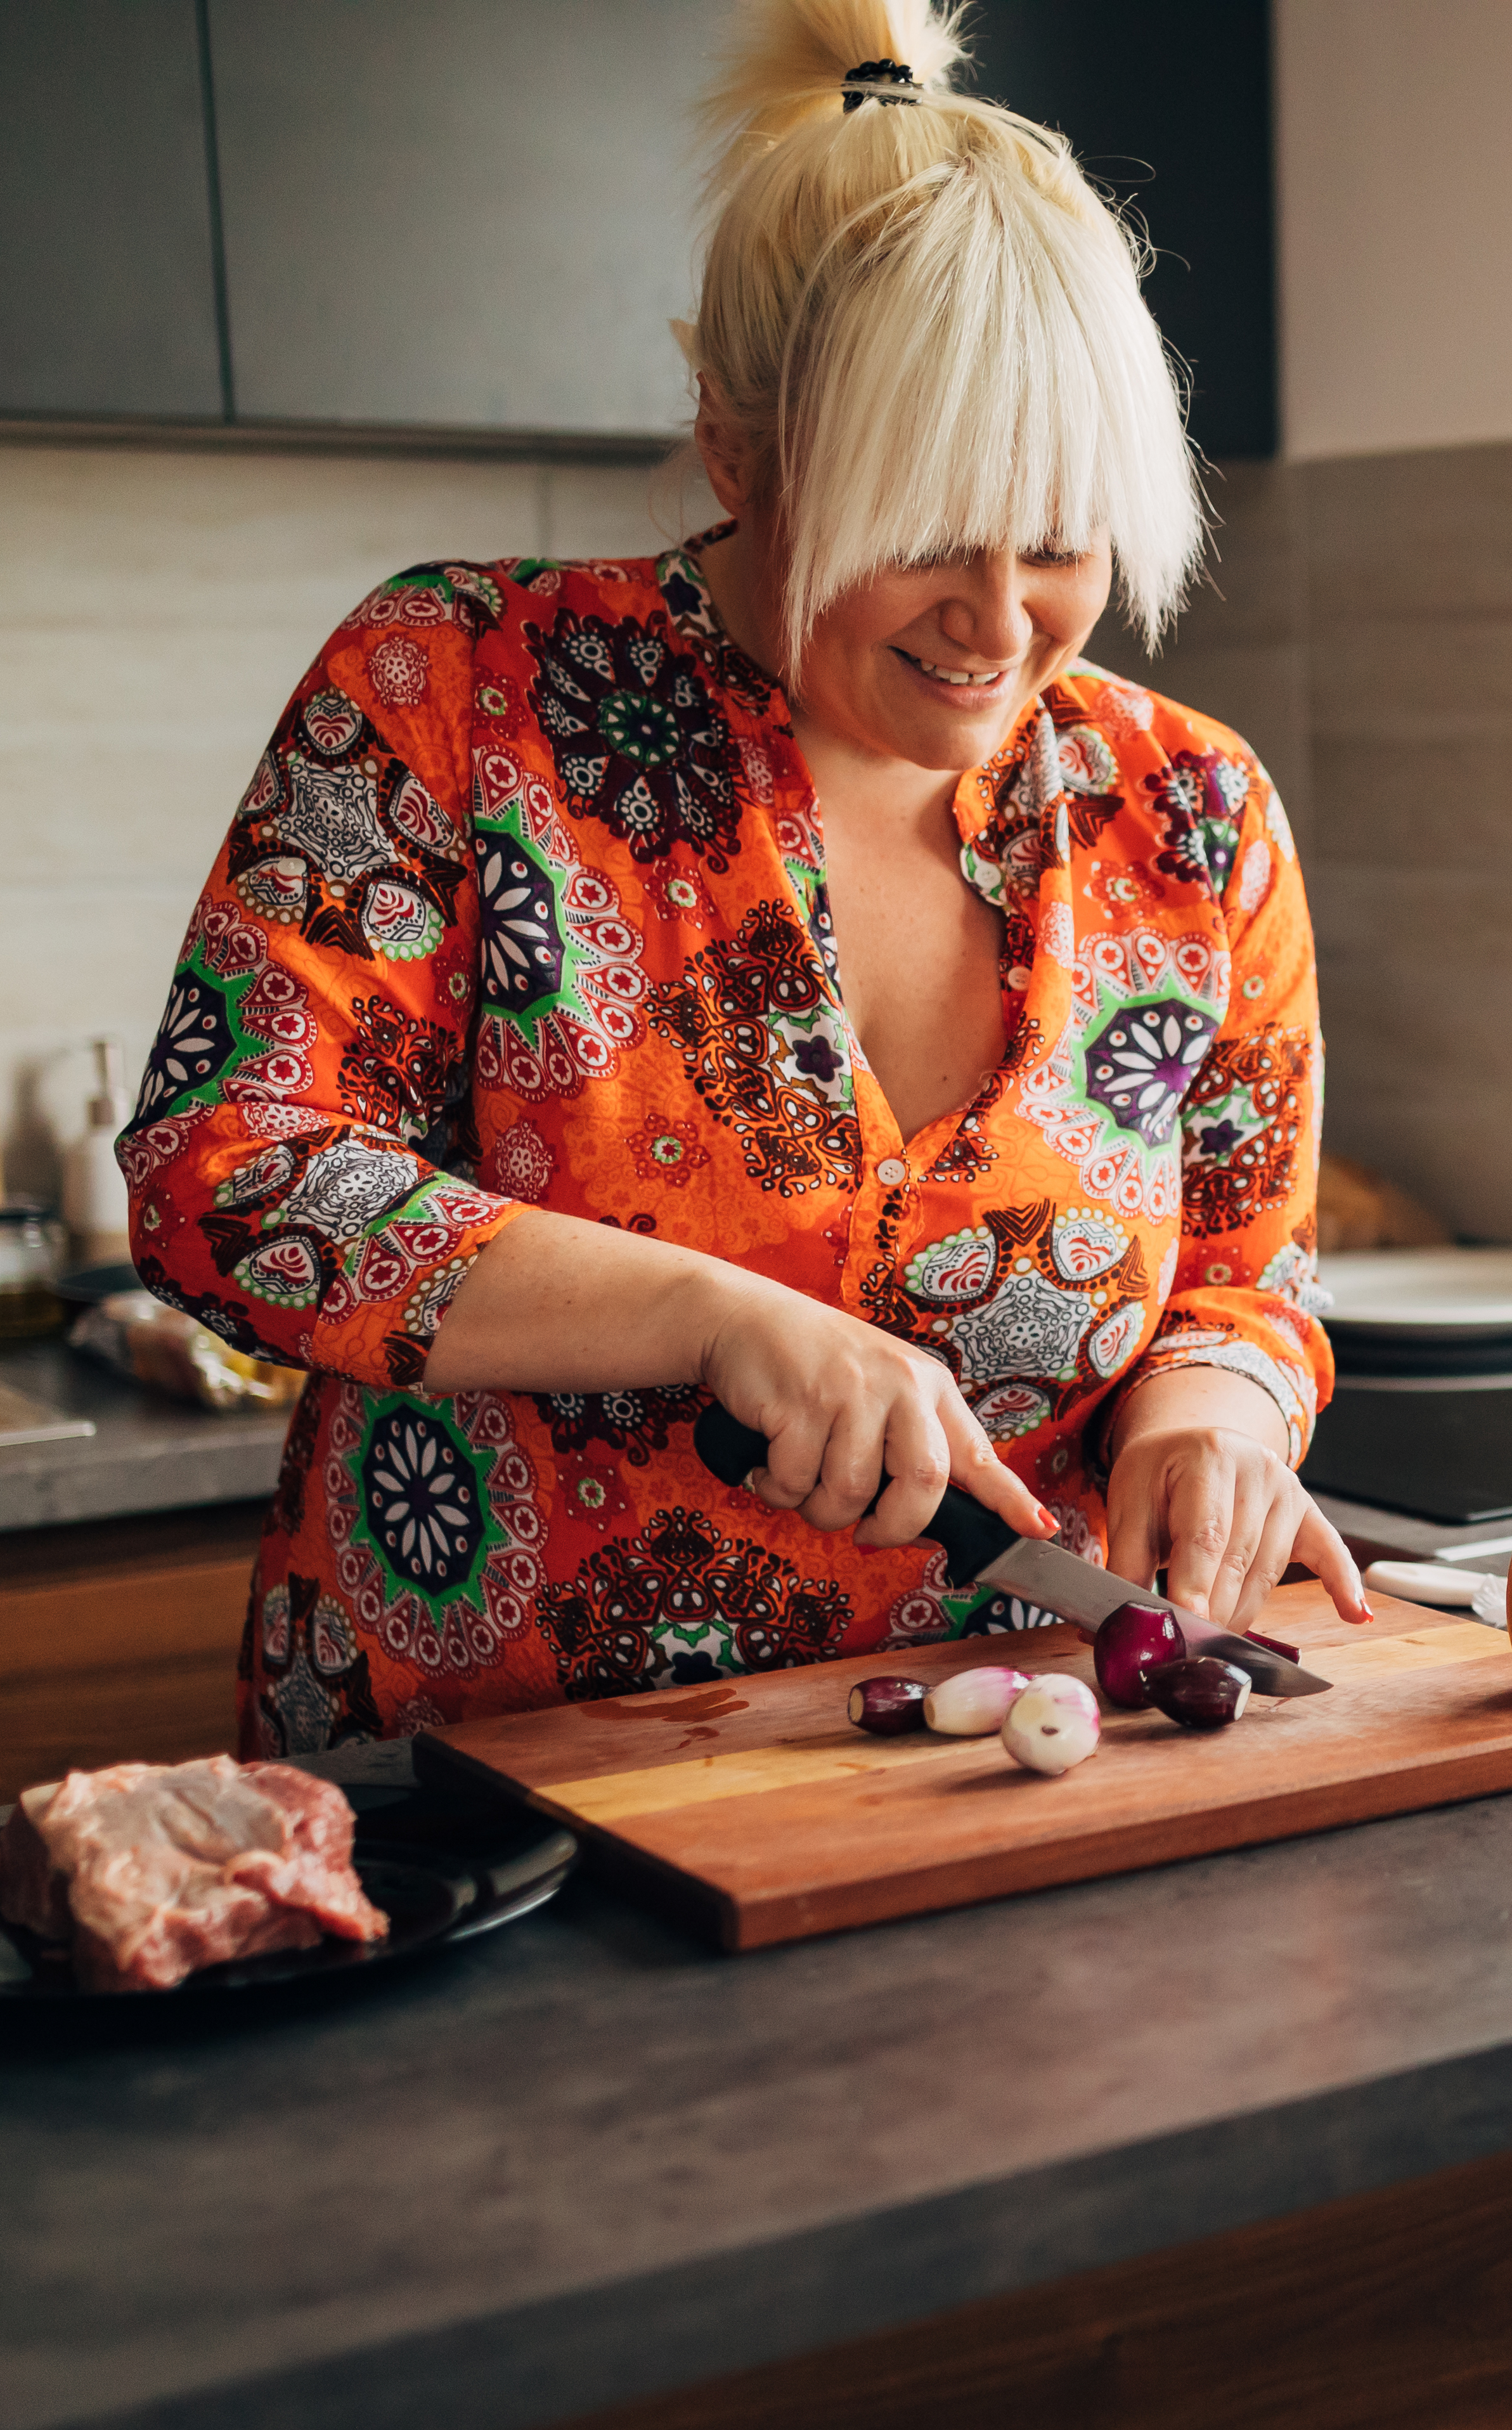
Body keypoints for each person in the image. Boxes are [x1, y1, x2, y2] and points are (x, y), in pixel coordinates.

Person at [127, 0, 1359, 1751]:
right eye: (923, 532)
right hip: (498, 1792)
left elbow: (1249, 1272)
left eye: (1064, 535)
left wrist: (1212, 1412)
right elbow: (226, 1176)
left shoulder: (1192, 812)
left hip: (1002, 1766)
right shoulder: (458, 688)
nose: (1001, 626)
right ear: (738, 450)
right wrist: (707, 1318)